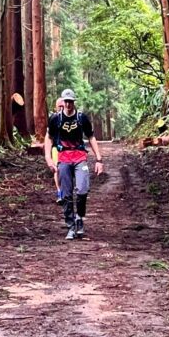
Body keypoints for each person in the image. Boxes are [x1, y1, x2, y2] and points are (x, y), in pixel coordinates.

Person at [44, 88, 105, 239]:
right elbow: (49, 137)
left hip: (79, 157)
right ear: (62, 102)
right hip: (63, 157)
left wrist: (99, 159)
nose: (68, 104)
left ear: (74, 102)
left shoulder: (81, 118)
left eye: (71, 101)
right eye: (66, 101)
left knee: (82, 190)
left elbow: (91, 137)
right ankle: (70, 225)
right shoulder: (55, 119)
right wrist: (48, 157)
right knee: (66, 194)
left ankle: (80, 219)